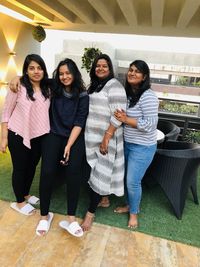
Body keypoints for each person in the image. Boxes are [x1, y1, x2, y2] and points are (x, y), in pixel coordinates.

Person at [36, 58, 89, 237]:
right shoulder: (53, 87)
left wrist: (68, 145)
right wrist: (16, 78)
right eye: (61, 73)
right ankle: (44, 215)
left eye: (68, 73)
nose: (64, 76)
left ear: (74, 73)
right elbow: (33, 78)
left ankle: (71, 218)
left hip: (74, 136)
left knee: (73, 172)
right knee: (47, 171)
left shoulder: (82, 94)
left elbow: (79, 121)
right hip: (53, 134)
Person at [81, 54, 127, 231]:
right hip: (91, 137)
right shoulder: (94, 85)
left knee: (98, 174)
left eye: (104, 66)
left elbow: (119, 114)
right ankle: (105, 199)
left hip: (106, 139)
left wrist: (107, 137)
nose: (100, 68)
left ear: (110, 69)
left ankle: (90, 215)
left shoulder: (114, 86)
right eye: (98, 66)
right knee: (98, 170)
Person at [0, 54, 50, 215]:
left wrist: (18, 76)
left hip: (39, 136)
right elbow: (6, 112)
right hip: (17, 134)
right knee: (20, 169)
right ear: (26, 71)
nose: (36, 71)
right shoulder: (18, 87)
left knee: (32, 167)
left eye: (39, 68)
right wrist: (3, 138)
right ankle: (19, 201)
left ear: (44, 70)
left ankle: (26, 194)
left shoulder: (48, 88)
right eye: (31, 68)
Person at [114, 60, 159, 228]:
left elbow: (150, 125)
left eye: (137, 71)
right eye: (130, 70)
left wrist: (126, 119)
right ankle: (129, 205)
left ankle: (134, 213)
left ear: (144, 76)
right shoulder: (129, 94)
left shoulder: (148, 96)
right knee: (127, 178)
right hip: (128, 144)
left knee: (133, 181)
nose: (132, 73)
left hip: (143, 147)